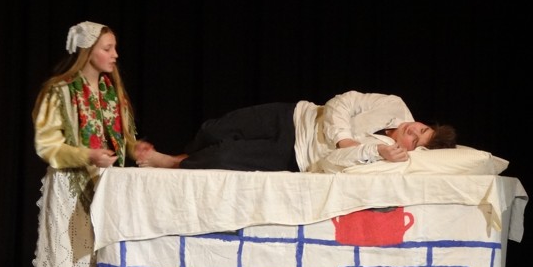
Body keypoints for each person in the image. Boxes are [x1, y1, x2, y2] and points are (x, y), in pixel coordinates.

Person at [27, 21, 138, 267]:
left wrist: (141, 152)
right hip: (70, 186)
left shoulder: (111, 93)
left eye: (114, 47)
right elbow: (47, 144)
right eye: (107, 48)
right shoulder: (58, 91)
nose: (114, 55)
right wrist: (86, 155)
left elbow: (123, 141)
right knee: (67, 263)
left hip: (106, 187)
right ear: (87, 51)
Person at [134, 90, 456, 173]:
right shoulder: (395, 105)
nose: (412, 129)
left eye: (416, 138)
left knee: (224, 156)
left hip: (296, 155)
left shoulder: (388, 157)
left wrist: (374, 150)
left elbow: (332, 162)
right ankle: (180, 157)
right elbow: (343, 102)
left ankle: (171, 162)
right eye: (421, 128)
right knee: (215, 129)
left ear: (412, 149)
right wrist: (343, 138)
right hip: (296, 115)